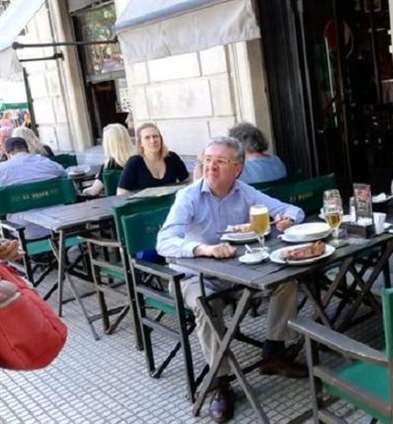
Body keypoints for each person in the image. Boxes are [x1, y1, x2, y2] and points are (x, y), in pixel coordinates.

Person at [156, 137, 306, 423]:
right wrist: (203, 249)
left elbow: (291, 210)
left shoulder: (244, 191)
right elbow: (163, 241)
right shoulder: (189, 196)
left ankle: (275, 352)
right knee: (205, 304)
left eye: (220, 161)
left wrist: (288, 220)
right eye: (207, 160)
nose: (211, 166)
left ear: (237, 169)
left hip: (241, 272)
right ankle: (221, 382)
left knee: (286, 281)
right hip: (198, 276)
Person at [117, 123, 189, 195]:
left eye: (155, 136)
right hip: (145, 205)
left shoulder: (172, 157)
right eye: (147, 138)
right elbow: (121, 192)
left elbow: (187, 181)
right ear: (140, 143)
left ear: (160, 139)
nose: (153, 141)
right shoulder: (134, 162)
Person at [82, 123, 135, 197]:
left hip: (114, 204)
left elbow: (94, 190)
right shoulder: (138, 159)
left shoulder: (108, 165)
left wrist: (84, 191)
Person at [0, 137, 66, 187]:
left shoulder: (2, 169)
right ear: (27, 149)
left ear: (7, 153)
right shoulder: (47, 162)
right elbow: (64, 174)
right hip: (55, 202)